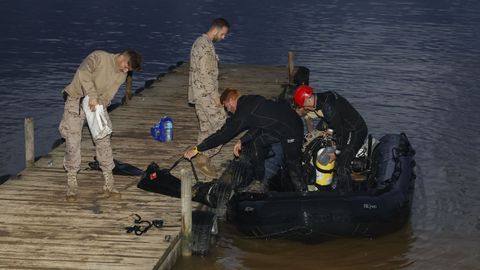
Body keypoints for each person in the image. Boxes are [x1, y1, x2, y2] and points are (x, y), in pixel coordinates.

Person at [59, 49, 143, 202]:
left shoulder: (122, 75)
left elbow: (108, 96)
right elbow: (83, 73)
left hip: (96, 105)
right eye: (125, 66)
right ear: (122, 56)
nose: (125, 71)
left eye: (128, 70)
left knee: (104, 139)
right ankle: (72, 181)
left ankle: (109, 182)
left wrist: (99, 106)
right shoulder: (99, 57)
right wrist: (92, 95)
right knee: (72, 141)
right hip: (75, 100)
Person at [184, 88, 307, 193]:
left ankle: (305, 195)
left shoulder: (242, 113)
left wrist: (198, 149)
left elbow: (222, 135)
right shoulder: (250, 100)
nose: (228, 111)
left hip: (292, 129)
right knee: (255, 143)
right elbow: (260, 124)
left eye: (226, 106)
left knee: (293, 167)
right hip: (281, 127)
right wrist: (242, 140)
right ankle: (260, 182)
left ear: (231, 100)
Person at [293, 85, 368, 191]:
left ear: (308, 98)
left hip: (355, 131)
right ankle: (334, 185)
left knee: (343, 164)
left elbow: (341, 132)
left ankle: (347, 194)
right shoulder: (320, 99)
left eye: (304, 105)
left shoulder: (328, 108)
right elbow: (331, 122)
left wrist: (336, 152)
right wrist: (325, 132)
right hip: (343, 127)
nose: (305, 108)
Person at [188, 18, 230, 179]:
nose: (223, 37)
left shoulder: (201, 42)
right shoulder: (204, 46)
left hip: (200, 94)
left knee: (206, 128)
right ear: (217, 30)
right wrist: (216, 98)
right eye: (223, 34)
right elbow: (206, 76)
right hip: (206, 95)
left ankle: (201, 157)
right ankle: (203, 156)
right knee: (223, 126)